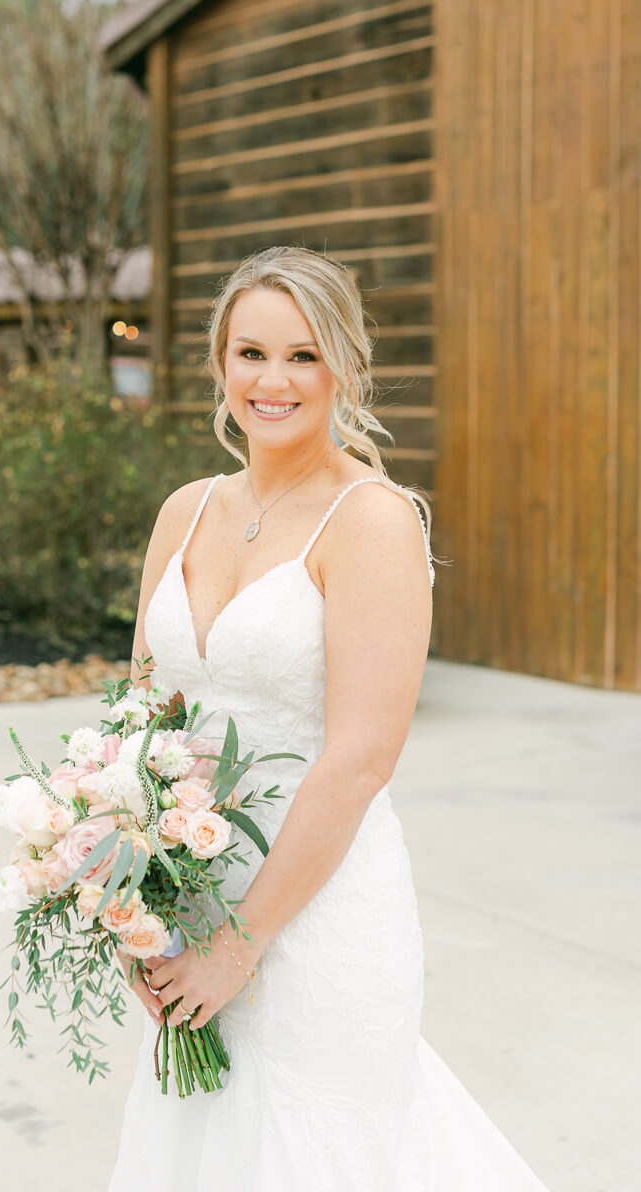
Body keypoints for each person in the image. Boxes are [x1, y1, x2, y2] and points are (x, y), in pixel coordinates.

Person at [107, 245, 550, 1190]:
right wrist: (131, 907)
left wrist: (238, 947)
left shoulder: (373, 521)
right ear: (220, 363)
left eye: (303, 356)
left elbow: (359, 759)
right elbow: (138, 720)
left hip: (318, 914)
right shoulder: (184, 512)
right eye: (251, 353)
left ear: (344, 366)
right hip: (192, 895)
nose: (273, 381)